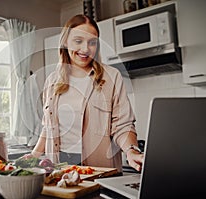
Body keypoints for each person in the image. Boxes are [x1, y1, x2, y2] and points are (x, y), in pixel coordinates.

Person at [25, 14, 143, 173]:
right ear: (66, 42)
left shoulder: (111, 77)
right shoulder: (52, 81)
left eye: (92, 42)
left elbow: (123, 125)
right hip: (59, 167)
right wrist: (33, 156)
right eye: (78, 41)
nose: (85, 49)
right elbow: (49, 128)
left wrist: (131, 150)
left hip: (99, 168)